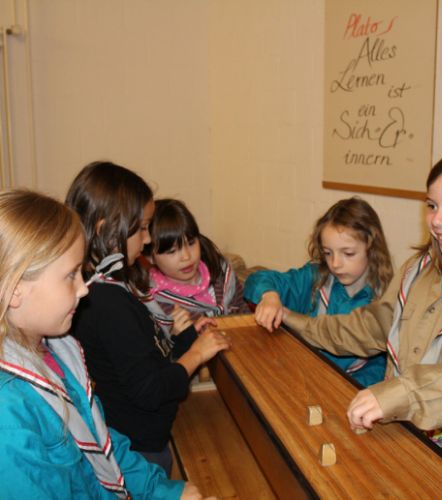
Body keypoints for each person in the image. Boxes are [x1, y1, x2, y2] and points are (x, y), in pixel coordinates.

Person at [0, 189, 208, 499]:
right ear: (14, 289)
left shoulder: (56, 350)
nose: (84, 290)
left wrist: (162, 491)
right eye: (70, 276)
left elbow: (99, 441)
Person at [278, 146, 442, 436]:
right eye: (432, 205)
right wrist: (291, 319)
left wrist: (397, 395)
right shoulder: (416, 270)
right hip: (400, 430)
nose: (438, 220)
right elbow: (369, 327)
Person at [67, 162, 231, 477]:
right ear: (106, 230)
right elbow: (152, 390)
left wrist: (186, 338)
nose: (146, 240)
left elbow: (147, 357)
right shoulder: (107, 303)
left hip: (143, 442)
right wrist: (196, 355)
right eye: (142, 228)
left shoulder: (111, 287)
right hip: (140, 453)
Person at [244, 197, 393, 387]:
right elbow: (257, 279)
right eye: (328, 253)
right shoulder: (315, 278)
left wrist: (341, 388)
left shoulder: (386, 299)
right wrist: (269, 296)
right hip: (295, 376)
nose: (335, 264)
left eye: (348, 253)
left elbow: (379, 368)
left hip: (343, 389)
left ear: (372, 249)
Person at [144, 198, 250, 338]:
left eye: (191, 243)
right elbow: (160, 349)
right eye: (172, 251)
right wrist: (177, 337)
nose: (186, 257)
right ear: (150, 257)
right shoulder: (155, 303)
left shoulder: (221, 271)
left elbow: (244, 311)